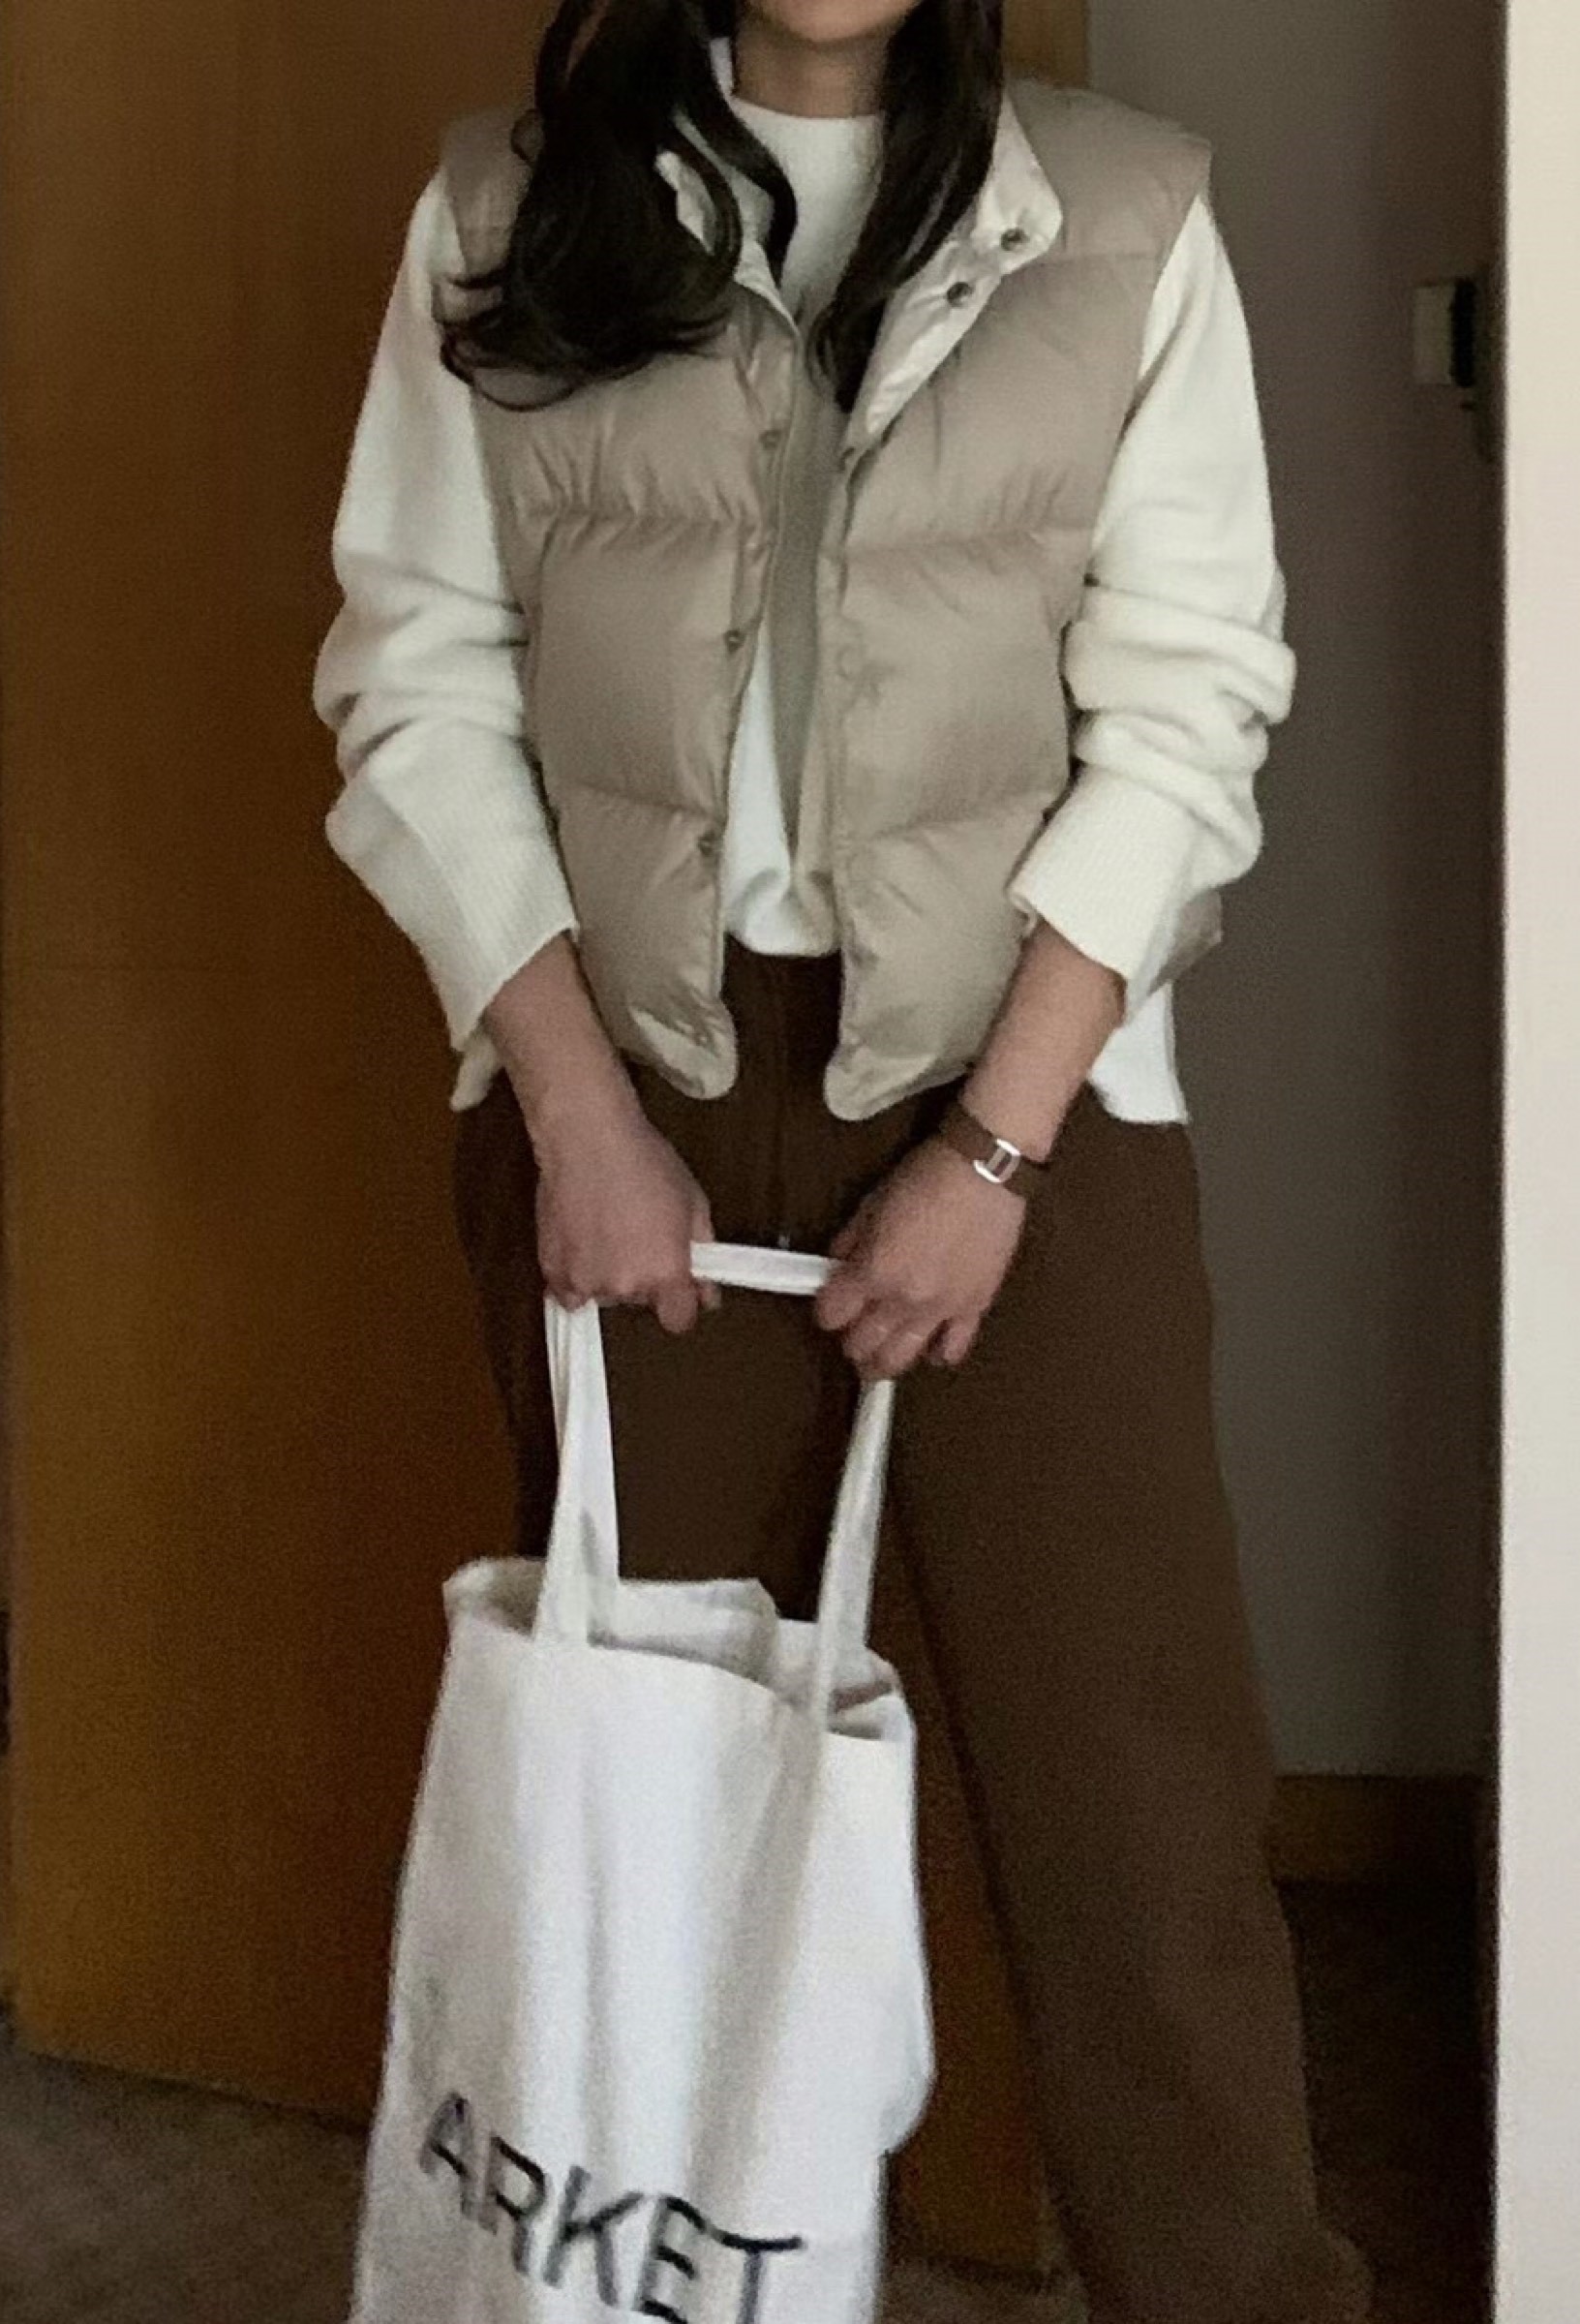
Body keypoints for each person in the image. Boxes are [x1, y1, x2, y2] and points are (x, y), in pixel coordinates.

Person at [313, 3, 1374, 2318]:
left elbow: (1193, 698)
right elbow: (416, 676)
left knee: (1137, 1825)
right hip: (631, 1108)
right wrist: (577, 1111)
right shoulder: (504, 211)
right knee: (658, 1831)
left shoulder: (1128, 215)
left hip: (1036, 1099)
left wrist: (992, 1151)